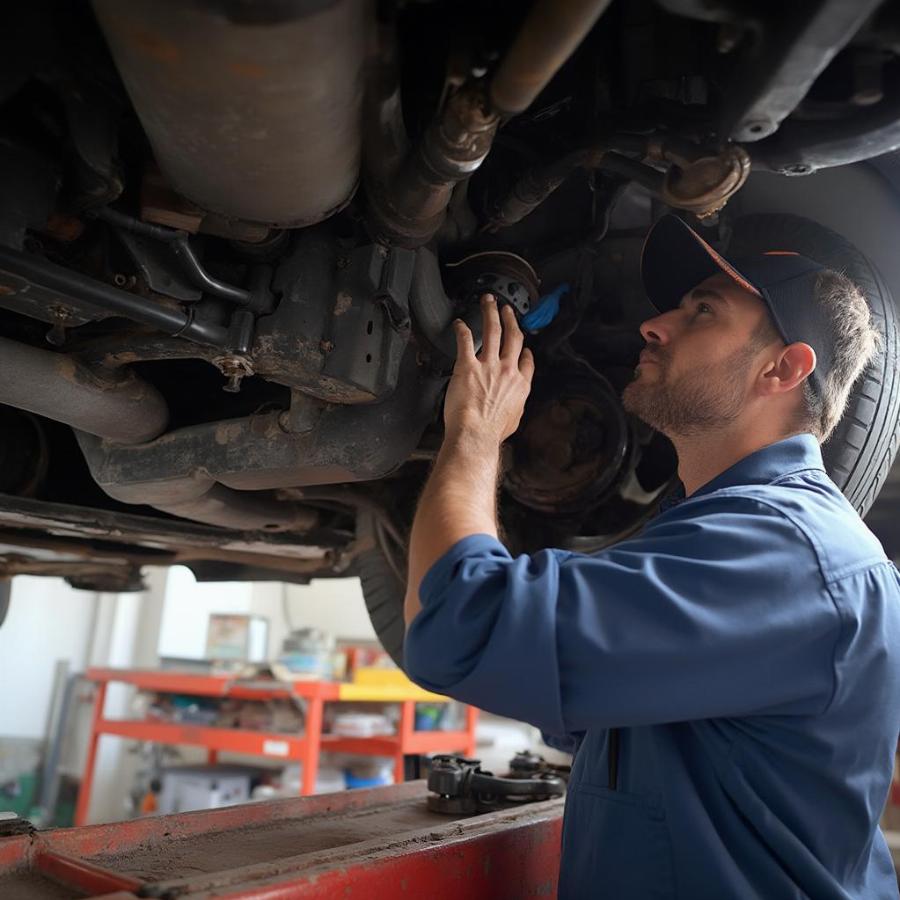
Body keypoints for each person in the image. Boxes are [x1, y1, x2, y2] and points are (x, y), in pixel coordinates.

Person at [402, 214, 900, 898]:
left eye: (702, 312)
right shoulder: (743, 537)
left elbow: (459, 625)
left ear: (783, 368)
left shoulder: (785, 555)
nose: (655, 324)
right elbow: (609, 718)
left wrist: (475, 433)